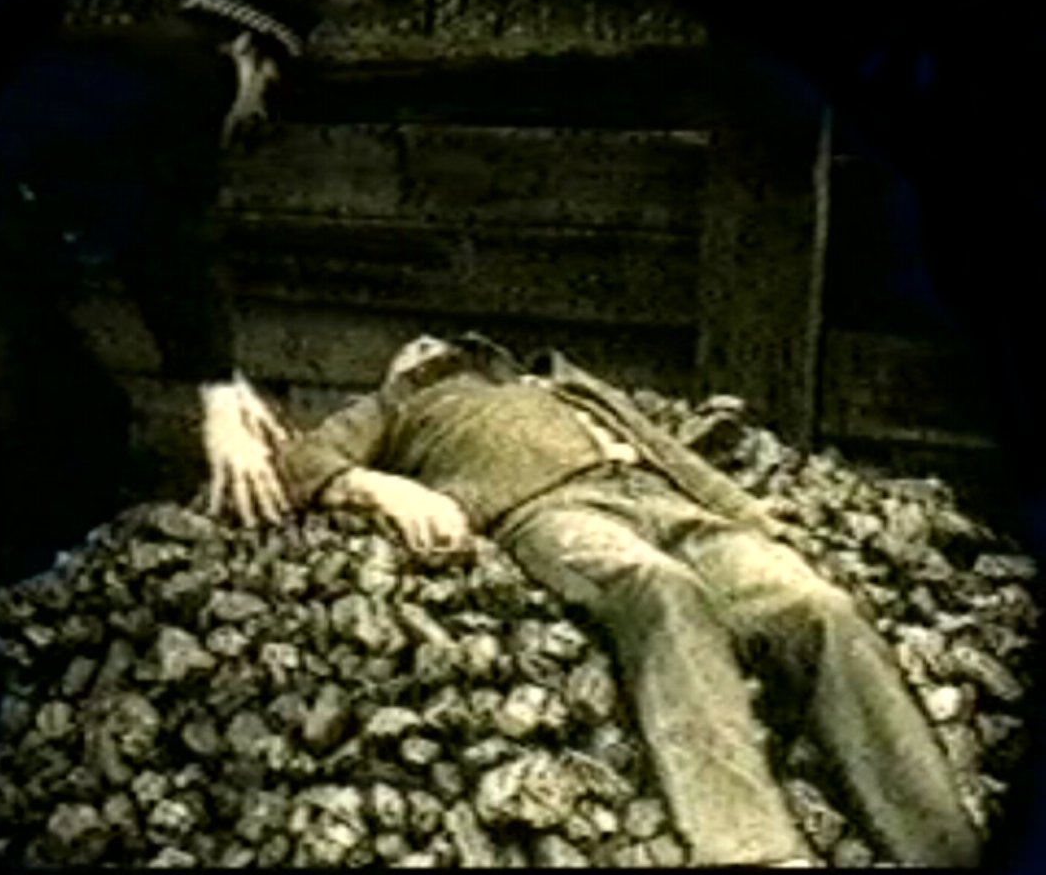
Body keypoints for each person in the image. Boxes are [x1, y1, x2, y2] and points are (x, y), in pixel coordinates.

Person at [277, 332, 982, 868]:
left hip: (665, 501)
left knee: (819, 606)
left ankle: (942, 845)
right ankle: (752, 850)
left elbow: (671, 454)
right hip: (547, 508)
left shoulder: (554, 381)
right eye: (413, 350)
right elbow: (302, 461)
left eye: (442, 342)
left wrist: (755, 521)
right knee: (660, 589)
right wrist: (383, 488)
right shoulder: (394, 406)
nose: (430, 347)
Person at [0, 0, 318, 587]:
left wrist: (223, 373)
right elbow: (179, 232)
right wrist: (215, 394)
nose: (259, 107)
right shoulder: (194, 70)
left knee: (81, 407)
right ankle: (26, 583)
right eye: (267, 83)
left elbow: (142, 240)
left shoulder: (124, 70)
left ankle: (37, 577)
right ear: (244, 49)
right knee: (31, 414)